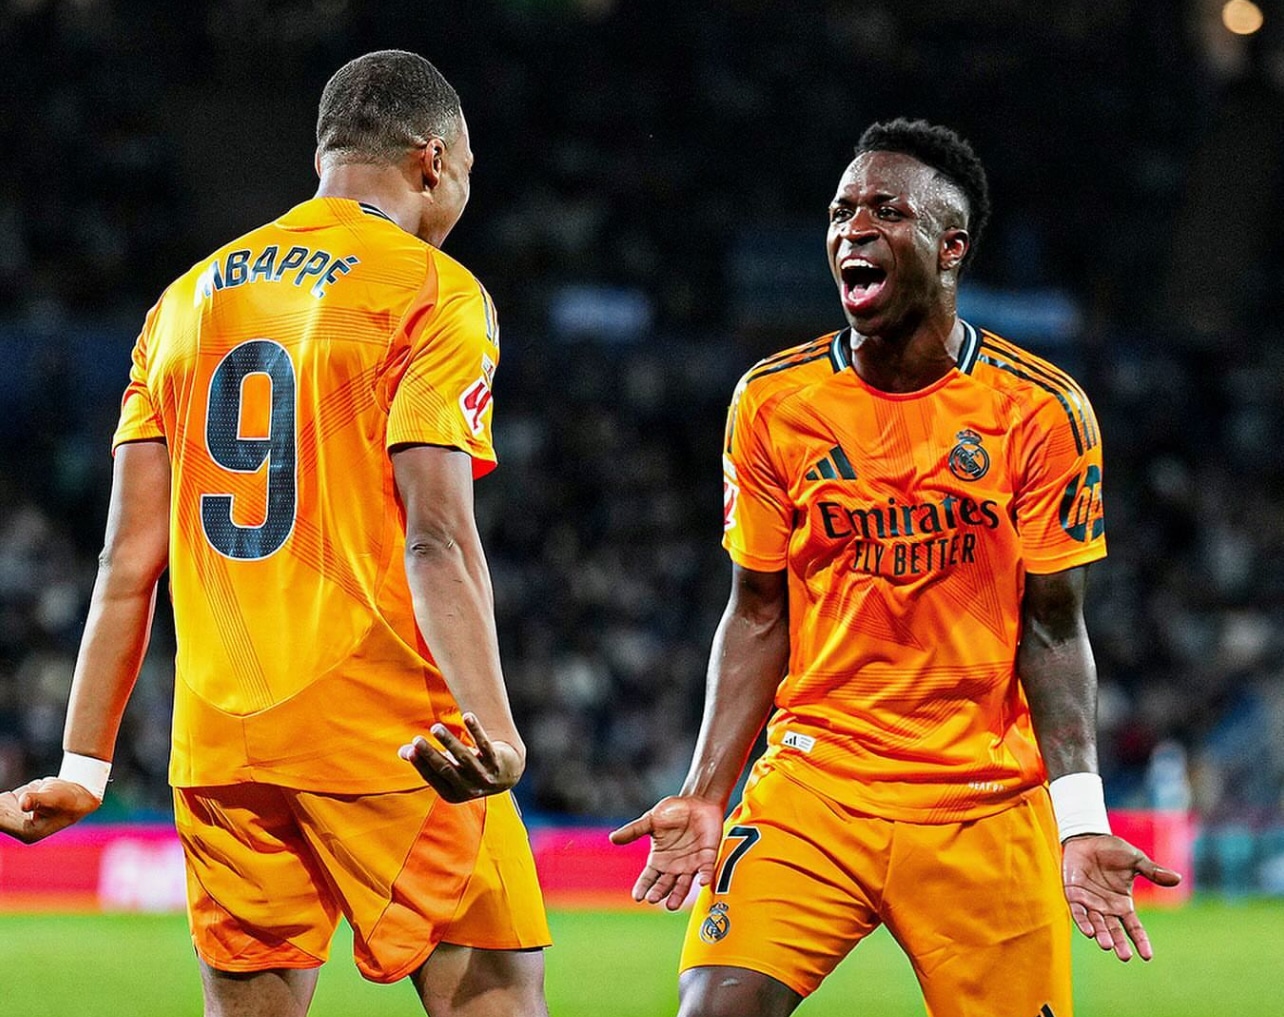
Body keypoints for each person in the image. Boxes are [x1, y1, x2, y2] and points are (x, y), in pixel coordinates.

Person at [0, 50, 550, 1017]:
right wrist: (494, 729)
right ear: (433, 162)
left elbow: (126, 561)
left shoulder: (181, 303)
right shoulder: (435, 290)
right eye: (467, 169)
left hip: (221, 745)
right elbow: (436, 538)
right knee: (497, 997)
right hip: (388, 730)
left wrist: (83, 766)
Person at [611, 118, 1181, 1017]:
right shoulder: (773, 402)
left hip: (982, 803)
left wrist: (1081, 820)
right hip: (815, 786)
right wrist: (703, 792)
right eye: (841, 211)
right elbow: (757, 611)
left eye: (886, 210)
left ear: (951, 247)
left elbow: (1053, 628)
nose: (854, 228)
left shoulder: (1039, 410)